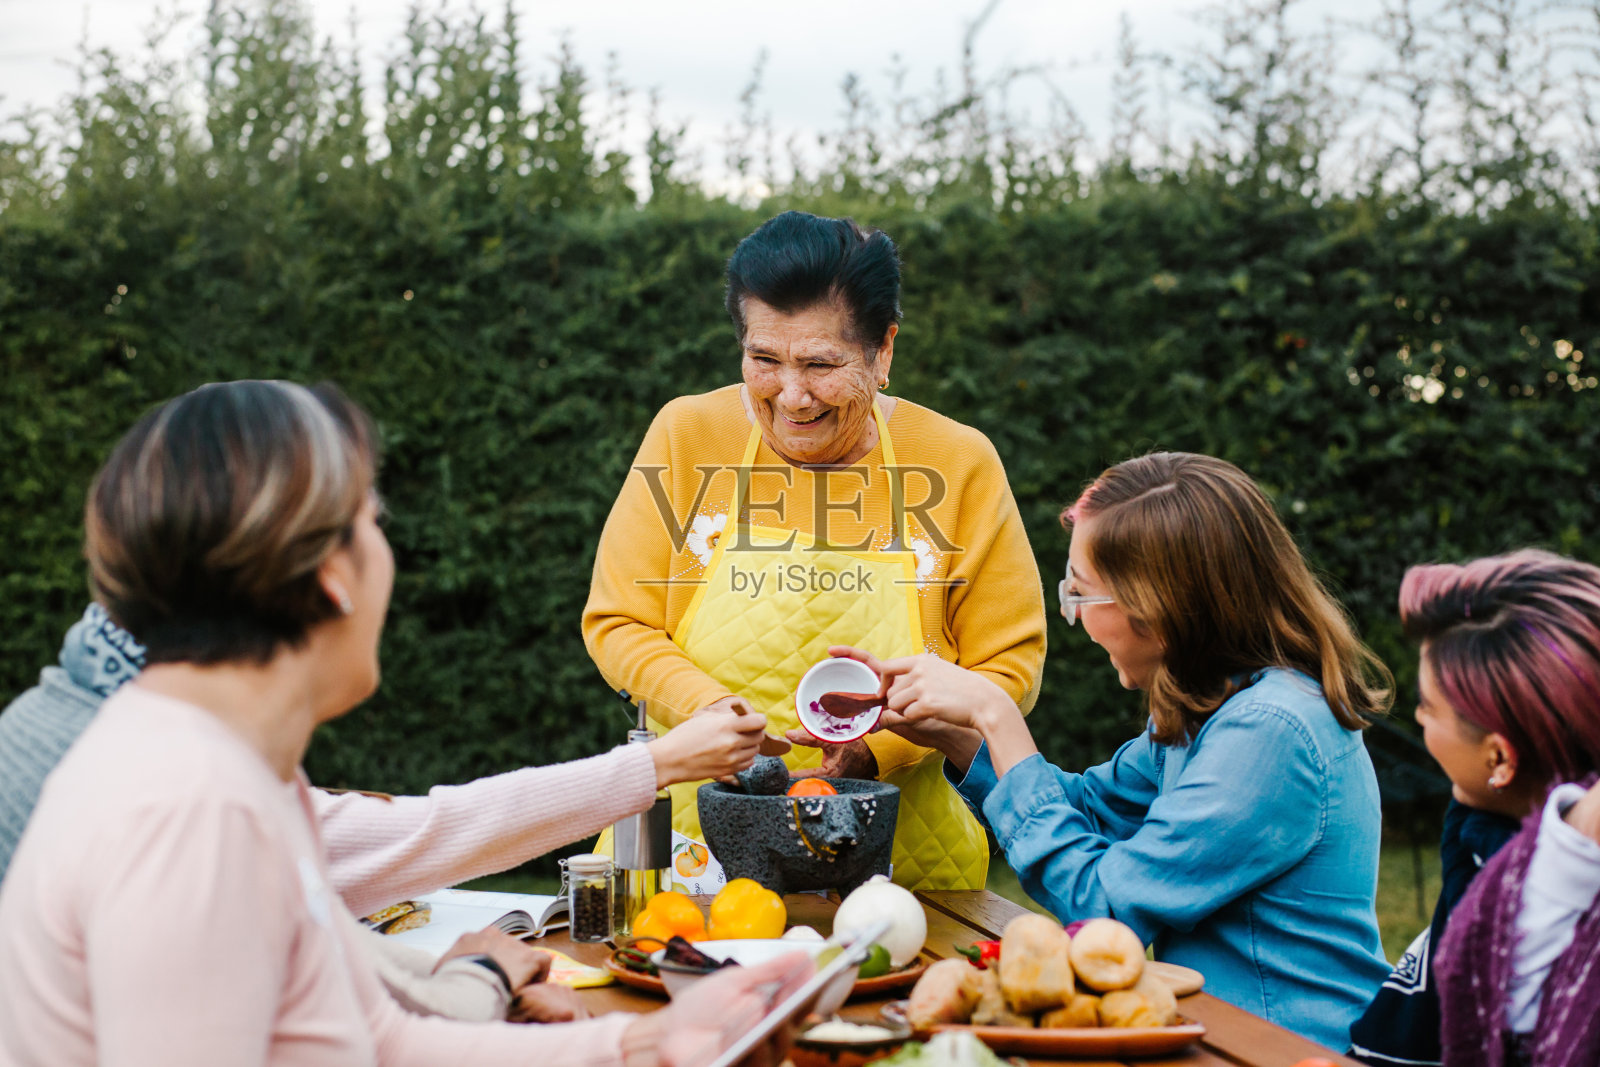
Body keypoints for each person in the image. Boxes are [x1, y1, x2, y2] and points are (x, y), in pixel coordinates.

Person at [0, 380, 810, 1067]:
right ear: (331, 575)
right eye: (374, 520)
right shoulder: (195, 811)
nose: (388, 549)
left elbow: (374, 1034)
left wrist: (642, 1044)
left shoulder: (222, 768)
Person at [834, 452, 1394, 1049]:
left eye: (1081, 594)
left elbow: (1104, 905)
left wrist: (996, 714)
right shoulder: (1213, 705)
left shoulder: (1268, 732)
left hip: (1286, 1050)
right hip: (1221, 1038)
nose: (1074, 619)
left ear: (1161, 606)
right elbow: (1087, 811)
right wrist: (955, 733)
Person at [0, 601, 767, 1024]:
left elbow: (326, 933)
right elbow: (373, 1023)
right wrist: (474, 982)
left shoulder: (95, 726)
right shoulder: (175, 789)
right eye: (356, 522)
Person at [583, 210, 1047, 890]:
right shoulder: (687, 435)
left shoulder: (957, 462)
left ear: (882, 349)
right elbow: (618, 620)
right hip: (687, 848)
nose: (791, 396)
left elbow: (1008, 667)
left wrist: (876, 750)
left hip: (902, 865)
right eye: (764, 360)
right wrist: (714, 715)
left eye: (821, 364)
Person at [1347, 550, 1600, 1066]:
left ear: (1499, 757)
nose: (1416, 716)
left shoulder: (1548, 899)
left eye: (1427, 705)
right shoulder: (1482, 839)